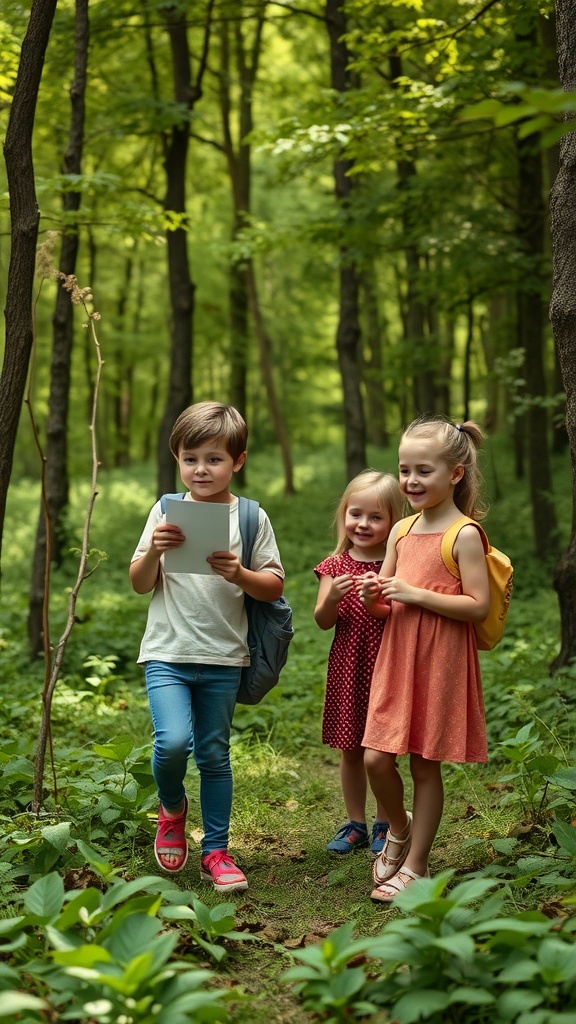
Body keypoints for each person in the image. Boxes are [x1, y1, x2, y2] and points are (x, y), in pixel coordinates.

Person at [129, 402, 285, 892]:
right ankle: (172, 807)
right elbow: (138, 583)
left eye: (214, 459)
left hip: (223, 656)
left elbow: (274, 586)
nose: (201, 469)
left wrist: (239, 572)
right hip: (167, 653)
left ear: (237, 461)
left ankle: (216, 850)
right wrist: (154, 548)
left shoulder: (252, 518)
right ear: (177, 458)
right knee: (172, 742)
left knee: (215, 755)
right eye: (190, 457)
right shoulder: (164, 511)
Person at [359, 417, 489, 902]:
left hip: (441, 660)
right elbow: (386, 604)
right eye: (404, 469)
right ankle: (399, 826)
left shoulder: (464, 534)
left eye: (423, 471)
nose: (410, 481)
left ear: (455, 474)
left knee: (424, 765)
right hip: (399, 655)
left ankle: (417, 864)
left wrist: (414, 592)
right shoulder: (400, 530)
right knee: (377, 757)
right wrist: (375, 596)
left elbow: (478, 605)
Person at [314, 470, 404, 857]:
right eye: (356, 514)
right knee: (350, 748)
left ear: (394, 521)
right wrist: (332, 597)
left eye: (376, 517)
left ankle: (386, 821)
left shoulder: (397, 564)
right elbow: (321, 620)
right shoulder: (334, 566)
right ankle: (356, 823)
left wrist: (373, 602)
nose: (363, 524)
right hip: (348, 666)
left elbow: (393, 614)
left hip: (388, 665)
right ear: (343, 516)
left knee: (383, 749)